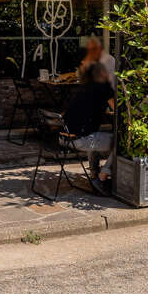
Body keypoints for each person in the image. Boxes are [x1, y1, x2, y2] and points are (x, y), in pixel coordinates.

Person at [63, 60, 116, 196]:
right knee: (120, 142)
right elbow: (118, 111)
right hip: (80, 140)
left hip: (65, 137)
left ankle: (94, 174)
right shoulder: (105, 87)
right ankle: (102, 176)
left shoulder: (85, 86)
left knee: (94, 133)